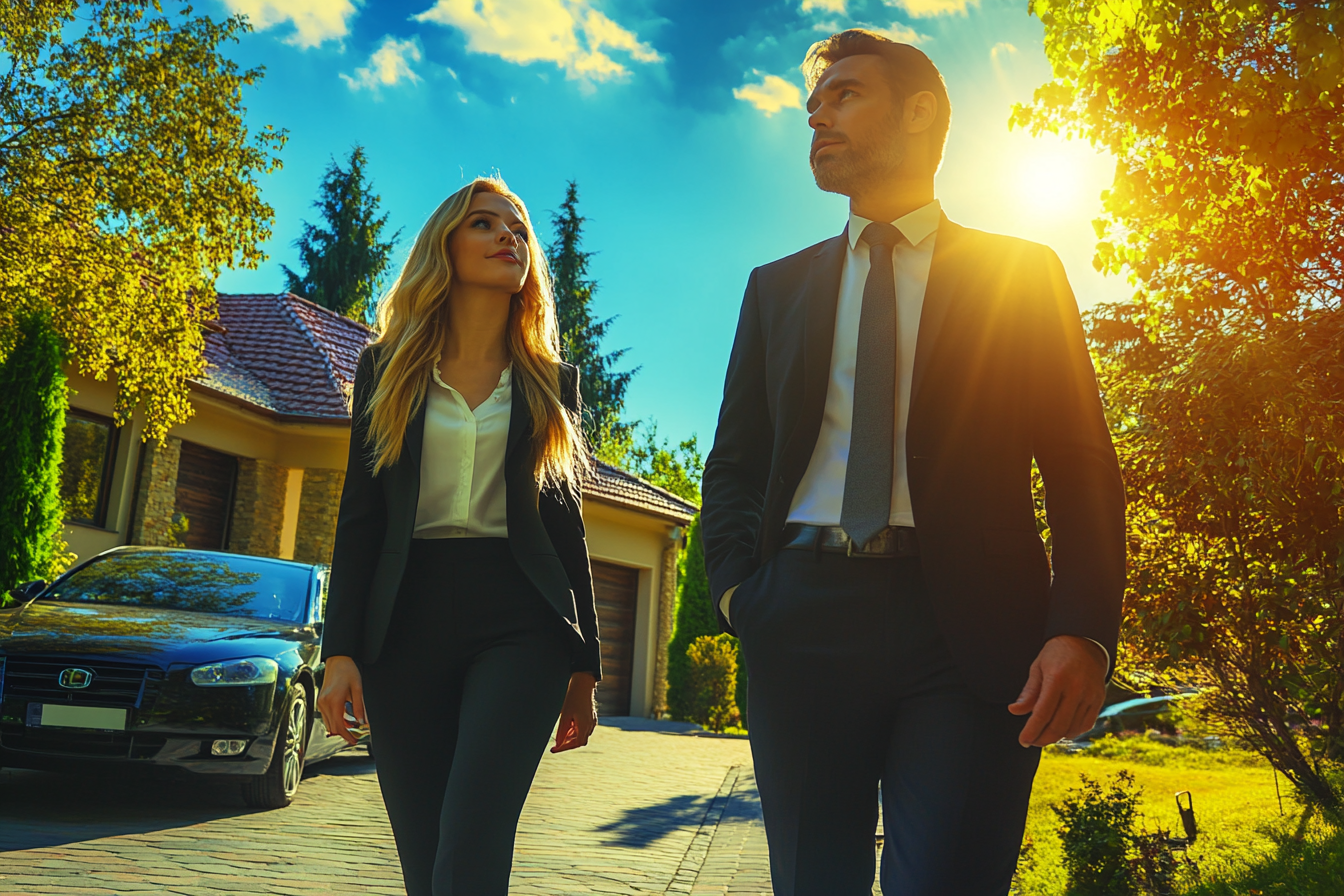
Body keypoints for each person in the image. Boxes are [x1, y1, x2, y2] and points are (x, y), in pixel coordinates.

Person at [700, 30, 1126, 896]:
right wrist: (742, 592)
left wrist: (1080, 628)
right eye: (813, 103)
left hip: (969, 633)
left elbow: (1082, 464)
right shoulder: (774, 288)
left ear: (923, 111)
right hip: (801, 621)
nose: (818, 113)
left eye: (845, 94)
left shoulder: (1022, 276)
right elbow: (735, 463)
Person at [315, 176, 602, 896]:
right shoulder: (385, 369)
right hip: (402, 621)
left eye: (519, 229)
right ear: (445, 246)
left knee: (470, 850)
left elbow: (568, 529)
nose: (510, 237)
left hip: (522, 620)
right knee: (427, 860)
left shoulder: (549, 382)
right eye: (486, 223)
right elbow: (361, 514)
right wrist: (339, 651)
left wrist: (586, 666)